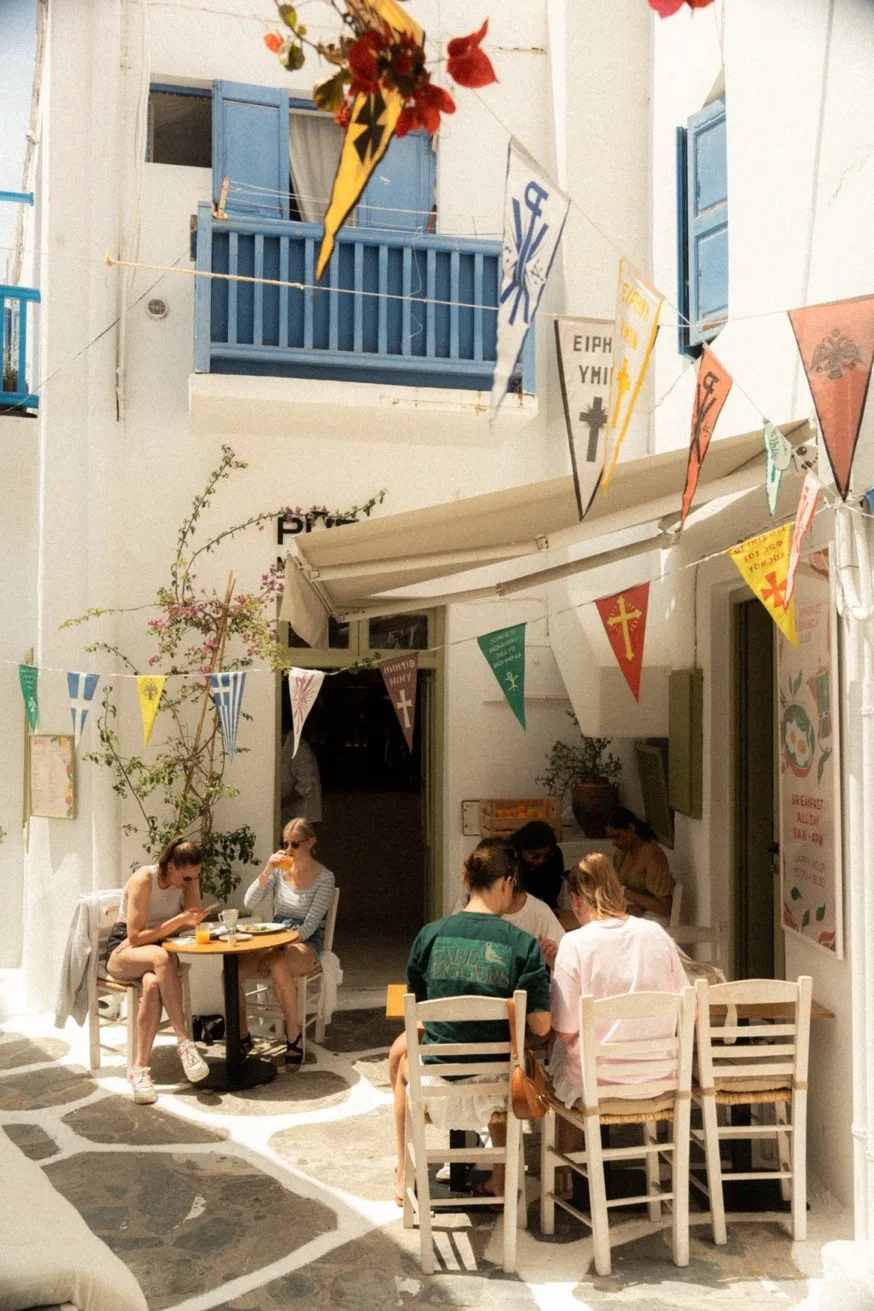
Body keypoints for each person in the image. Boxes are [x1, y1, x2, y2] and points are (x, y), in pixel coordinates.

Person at [389, 839, 551, 1204]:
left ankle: (403, 1171)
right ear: (507, 882)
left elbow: (416, 1007)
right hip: (496, 1091)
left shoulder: (429, 936)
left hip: (437, 1085)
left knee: (400, 1063)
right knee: (508, 1063)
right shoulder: (523, 945)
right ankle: (502, 1179)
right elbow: (541, 1026)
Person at [549, 853, 687, 1110]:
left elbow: (565, 1030)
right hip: (659, 1076)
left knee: (557, 1052)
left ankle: (569, 1148)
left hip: (596, 1082)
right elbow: (690, 1008)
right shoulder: (656, 934)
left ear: (576, 900)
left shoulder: (575, 943)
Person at [104, 837, 213, 1104]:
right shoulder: (145, 879)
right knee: (162, 957)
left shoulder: (186, 879)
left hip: (155, 949)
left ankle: (139, 1070)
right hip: (125, 948)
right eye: (187, 878)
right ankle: (184, 1042)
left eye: (195, 877)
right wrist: (177, 920)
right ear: (171, 867)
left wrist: (191, 917)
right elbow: (136, 936)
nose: (190, 883)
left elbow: (190, 921)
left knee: (153, 985)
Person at [239, 817, 335, 1069]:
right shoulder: (280, 871)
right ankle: (242, 1035)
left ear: (310, 842)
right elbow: (249, 903)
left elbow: (310, 925)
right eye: (285, 844)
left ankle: (294, 1034)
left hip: (303, 941)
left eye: (295, 844)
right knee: (231, 972)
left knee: (279, 965)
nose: (289, 849)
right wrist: (268, 869)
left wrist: (277, 948)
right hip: (274, 937)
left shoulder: (325, 878)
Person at [605, 806, 674, 923]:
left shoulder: (652, 854)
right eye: (611, 838)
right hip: (633, 913)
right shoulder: (620, 854)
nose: (614, 843)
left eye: (617, 837)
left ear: (631, 828)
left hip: (654, 918)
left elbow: (665, 908)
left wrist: (624, 892)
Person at [509, 819, 565, 910]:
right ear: (522, 849)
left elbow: (555, 885)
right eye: (535, 856)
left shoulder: (555, 855)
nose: (541, 860)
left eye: (546, 855)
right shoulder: (513, 859)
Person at [280, 731, 322, 828]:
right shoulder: (284, 747)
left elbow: (306, 785)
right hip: (288, 814)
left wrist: (279, 804)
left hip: (302, 814)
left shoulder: (299, 748)